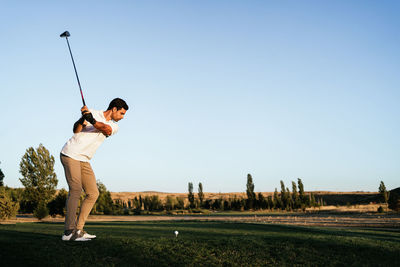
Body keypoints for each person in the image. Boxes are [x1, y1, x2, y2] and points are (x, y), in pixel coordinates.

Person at [60, 98, 128, 241]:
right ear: (114, 109)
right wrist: (83, 119)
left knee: (93, 193)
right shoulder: (92, 112)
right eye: (121, 113)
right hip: (71, 154)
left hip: (84, 159)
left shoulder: (114, 126)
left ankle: (78, 230)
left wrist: (91, 120)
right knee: (76, 190)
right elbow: (76, 130)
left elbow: (105, 129)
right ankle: (68, 232)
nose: (122, 117)